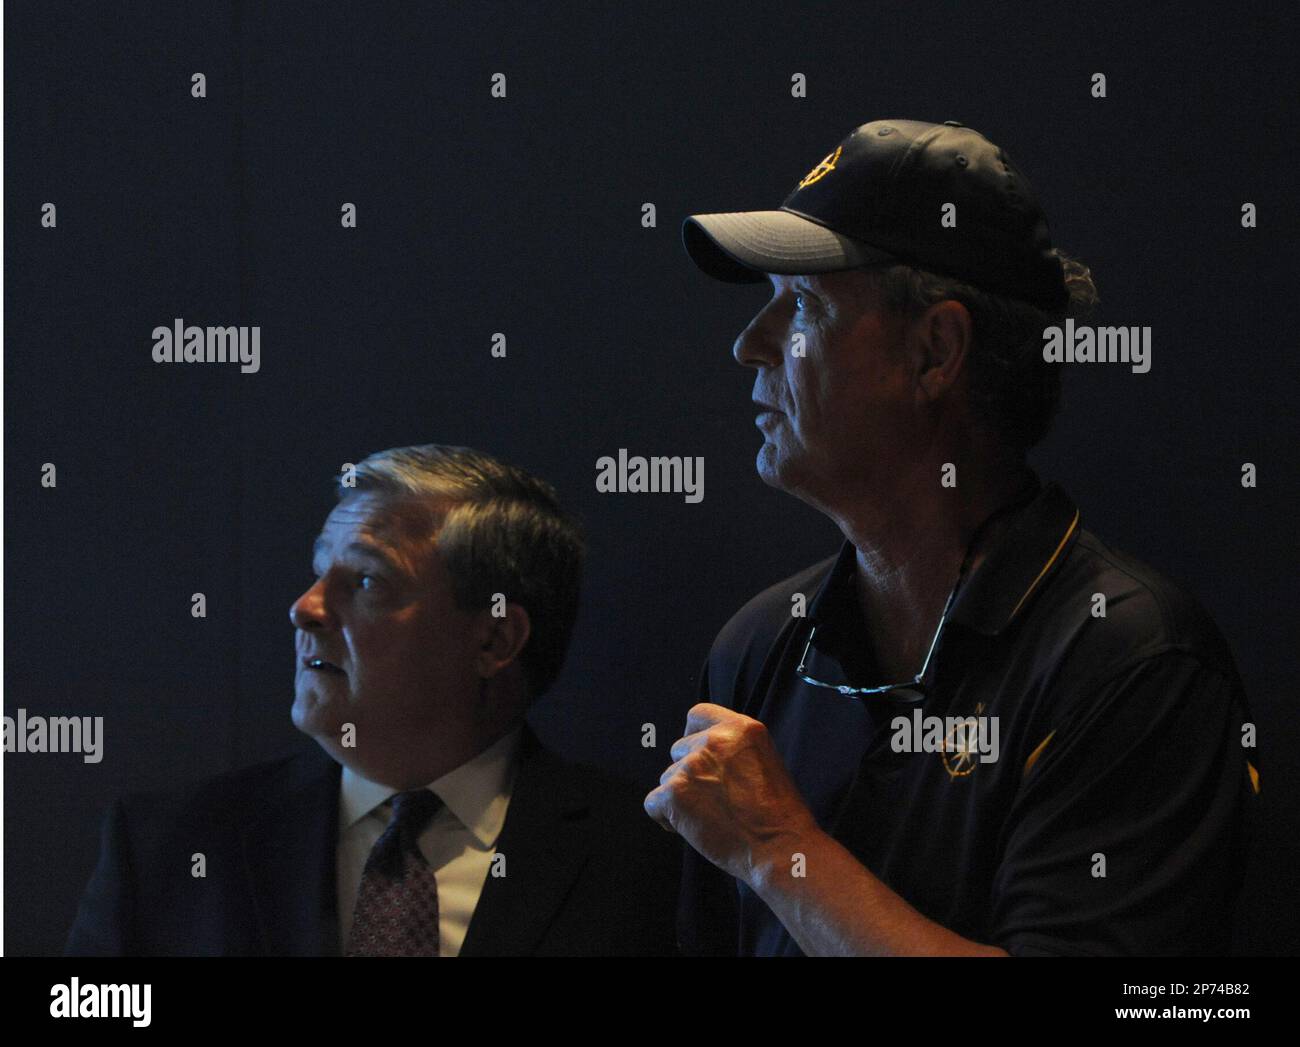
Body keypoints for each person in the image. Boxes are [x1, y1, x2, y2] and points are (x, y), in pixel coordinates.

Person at [646, 118, 1259, 956]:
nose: (749, 343)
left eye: (801, 306)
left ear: (936, 350)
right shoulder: (758, 646)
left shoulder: (1134, 660)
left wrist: (775, 846)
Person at [67, 444, 679, 956]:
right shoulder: (170, 849)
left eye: (365, 580)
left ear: (494, 636)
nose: (305, 608)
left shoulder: (651, 864)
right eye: (316, 572)